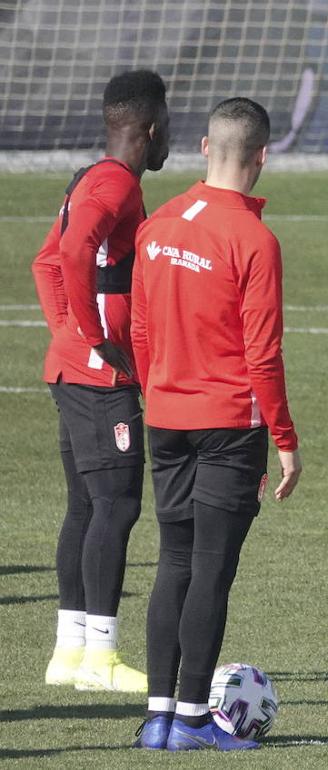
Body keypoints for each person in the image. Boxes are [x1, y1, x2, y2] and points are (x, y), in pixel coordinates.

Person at [129, 97, 303, 751]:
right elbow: (263, 351)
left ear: (205, 148)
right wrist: (284, 440)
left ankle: (157, 719)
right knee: (210, 569)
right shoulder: (254, 239)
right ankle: (196, 720)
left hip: (166, 416)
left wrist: (159, 390)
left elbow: (139, 328)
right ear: (263, 156)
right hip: (230, 423)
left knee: (173, 561)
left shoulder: (161, 223)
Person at [31, 69, 170, 693]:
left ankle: (70, 653)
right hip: (96, 377)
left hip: (75, 369)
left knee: (87, 507)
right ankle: (102, 659)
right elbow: (68, 254)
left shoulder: (94, 177)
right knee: (117, 506)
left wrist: (67, 329)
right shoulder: (112, 183)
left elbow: (45, 260)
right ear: (151, 128)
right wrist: (92, 338)